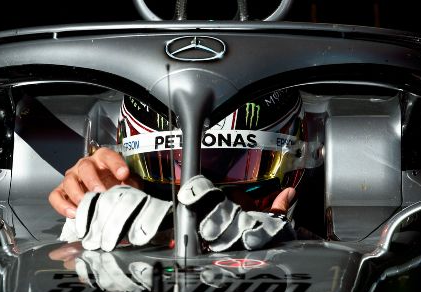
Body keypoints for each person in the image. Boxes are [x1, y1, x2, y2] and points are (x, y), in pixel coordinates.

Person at [49, 88, 318, 252]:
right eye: (173, 171)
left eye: (237, 172)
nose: (205, 201)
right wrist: (88, 213)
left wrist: (291, 244)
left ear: (299, 156)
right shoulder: (128, 196)